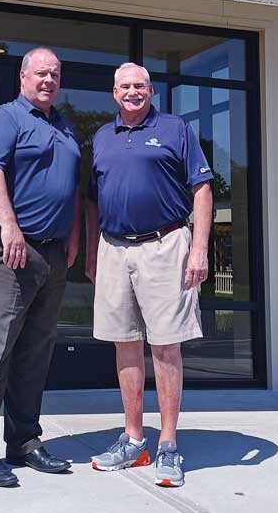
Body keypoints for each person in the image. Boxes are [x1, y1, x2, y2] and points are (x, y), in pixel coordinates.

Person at [85, 62, 213, 488]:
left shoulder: (176, 129)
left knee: (165, 349)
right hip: (114, 248)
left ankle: (170, 445)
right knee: (125, 345)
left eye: (140, 85)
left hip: (166, 246)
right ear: (114, 92)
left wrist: (198, 248)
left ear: (151, 91)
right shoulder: (102, 137)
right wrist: (91, 252)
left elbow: (202, 190)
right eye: (125, 86)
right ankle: (135, 440)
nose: (133, 92)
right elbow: (91, 201)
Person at [0, 47, 81, 488]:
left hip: (52, 253)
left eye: (54, 74)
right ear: (23, 76)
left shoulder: (65, 125)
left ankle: (25, 440)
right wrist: (10, 228)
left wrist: (71, 234)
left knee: (35, 350)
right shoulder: (6, 118)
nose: (48, 80)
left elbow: (70, 187)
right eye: (41, 73)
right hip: (10, 245)